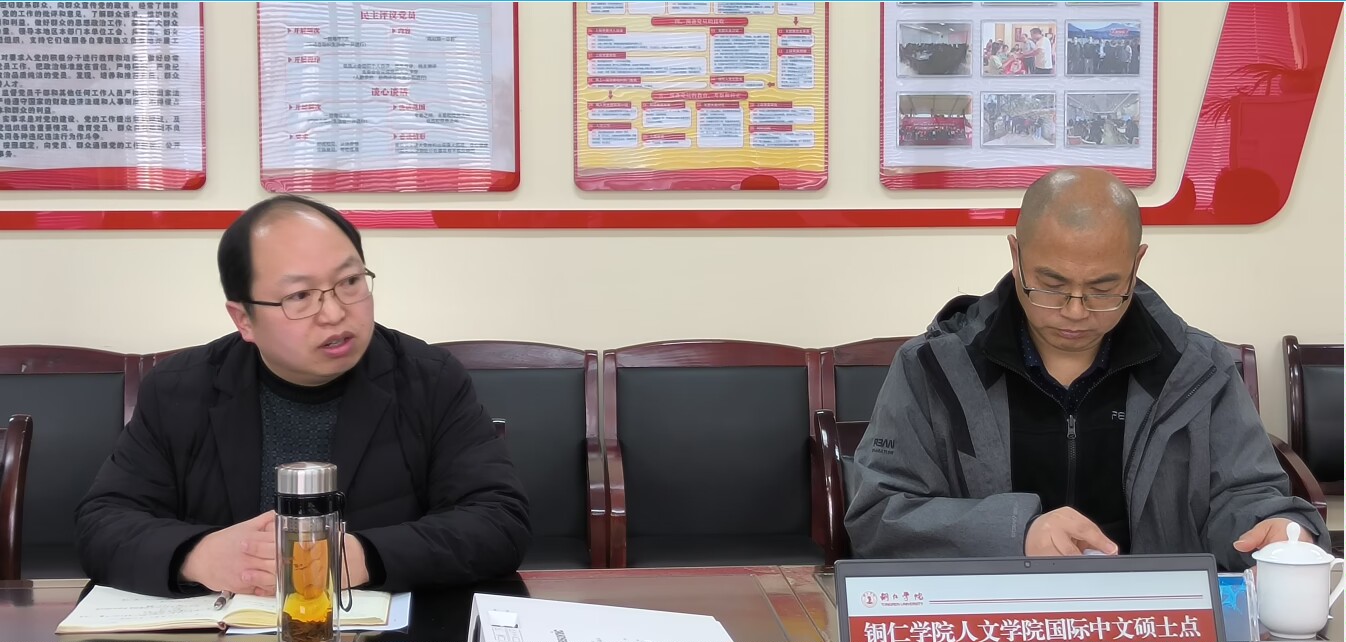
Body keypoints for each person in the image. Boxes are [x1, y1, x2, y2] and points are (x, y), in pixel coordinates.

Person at [844, 168, 1328, 571]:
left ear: (1136, 265)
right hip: (993, 620)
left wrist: (1277, 529)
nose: (1075, 311)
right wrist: (1017, 533)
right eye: (1051, 285)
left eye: (1103, 289)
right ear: (1016, 256)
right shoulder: (934, 369)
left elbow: (1246, 495)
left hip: (1151, 620)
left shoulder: (1198, 370)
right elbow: (879, 515)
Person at [75, 195, 531, 597]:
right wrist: (199, 555)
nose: (334, 313)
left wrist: (357, 557)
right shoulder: (180, 389)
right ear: (244, 319)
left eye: (350, 282)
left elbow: (498, 520)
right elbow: (103, 523)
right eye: (299, 296)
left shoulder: (428, 379)